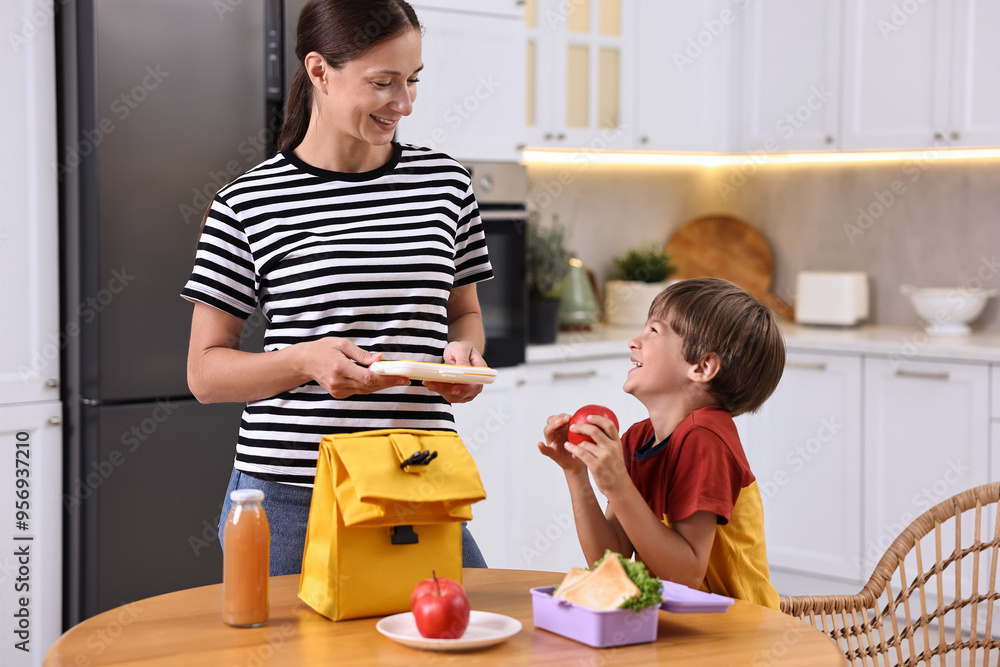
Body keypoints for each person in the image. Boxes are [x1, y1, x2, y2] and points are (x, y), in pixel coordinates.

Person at [181, 0, 492, 575]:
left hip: (418, 479)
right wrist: (305, 360)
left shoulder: (445, 184)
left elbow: (464, 315)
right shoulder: (248, 202)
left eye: (413, 80)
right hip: (294, 494)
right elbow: (205, 374)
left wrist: (464, 357)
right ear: (320, 71)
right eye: (384, 82)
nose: (404, 102)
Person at [537, 277, 785, 608]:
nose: (633, 342)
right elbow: (612, 562)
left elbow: (686, 575)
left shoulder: (706, 439)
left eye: (653, 332)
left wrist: (617, 485)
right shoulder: (638, 439)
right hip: (677, 628)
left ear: (702, 367)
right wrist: (577, 473)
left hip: (739, 632)